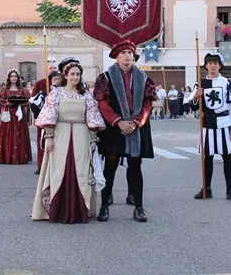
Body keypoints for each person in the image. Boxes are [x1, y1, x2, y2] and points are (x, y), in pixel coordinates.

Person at [31, 62, 106, 223]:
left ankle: (79, 210)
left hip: (81, 135)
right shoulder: (56, 93)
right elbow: (49, 114)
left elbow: (92, 116)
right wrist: (49, 137)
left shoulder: (86, 94)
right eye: (72, 74)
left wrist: (93, 139)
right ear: (65, 75)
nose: (75, 77)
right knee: (59, 171)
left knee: (81, 171)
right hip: (60, 135)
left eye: (78, 74)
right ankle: (58, 210)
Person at [93, 40, 156, 222]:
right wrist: (118, 121)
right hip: (114, 129)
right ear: (116, 56)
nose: (127, 56)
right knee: (110, 166)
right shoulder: (105, 78)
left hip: (136, 128)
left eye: (130, 53)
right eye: (123, 53)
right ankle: (104, 207)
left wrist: (137, 122)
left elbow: (147, 103)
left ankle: (139, 207)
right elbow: (102, 103)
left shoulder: (143, 78)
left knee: (135, 166)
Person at [191, 53, 231, 201]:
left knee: (227, 158)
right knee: (207, 158)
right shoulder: (200, 83)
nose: (212, 65)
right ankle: (206, 189)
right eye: (210, 63)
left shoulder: (227, 82)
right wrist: (196, 96)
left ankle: (230, 190)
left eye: (215, 63)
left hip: (224, 123)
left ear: (220, 66)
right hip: (207, 124)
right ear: (206, 66)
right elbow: (192, 107)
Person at [30, 67, 62, 175]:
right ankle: (41, 165)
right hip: (44, 119)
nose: (56, 80)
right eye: (54, 79)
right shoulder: (40, 84)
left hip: (59, 119)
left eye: (58, 78)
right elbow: (33, 101)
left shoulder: (63, 87)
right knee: (43, 143)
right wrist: (38, 114)